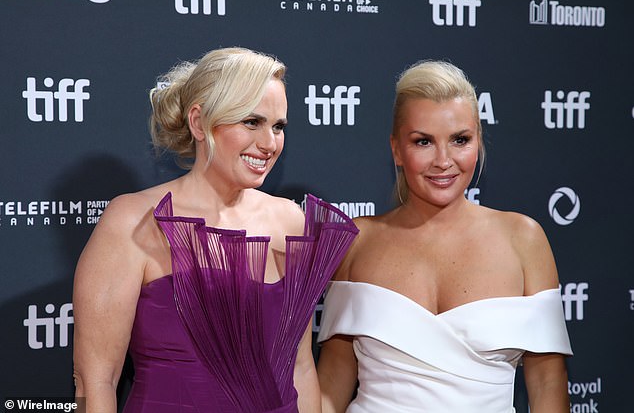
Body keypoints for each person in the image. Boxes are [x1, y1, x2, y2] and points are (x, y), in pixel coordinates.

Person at [72, 47, 358, 413]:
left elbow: (300, 366)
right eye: (251, 122)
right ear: (198, 122)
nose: (269, 143)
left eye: (278, 126)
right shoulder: (133, 220)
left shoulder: (290, 220)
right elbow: (95, 379)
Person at [316, 60, 572, 413]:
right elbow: (333, 378)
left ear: (478, 141)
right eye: (423, 141)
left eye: (460, 140)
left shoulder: (523, 239)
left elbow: (548, 385)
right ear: (396, 149)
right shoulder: (358, 240)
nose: (443, 160)